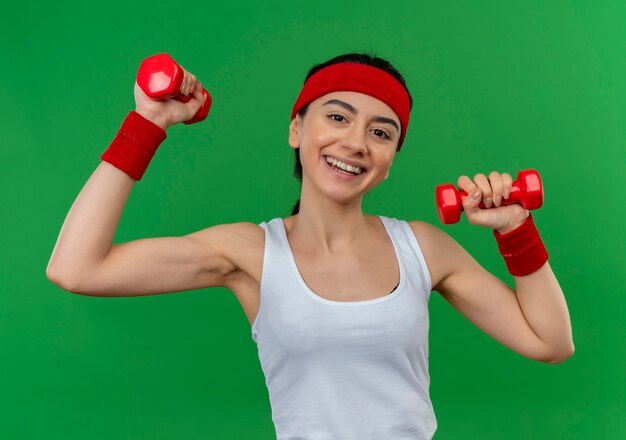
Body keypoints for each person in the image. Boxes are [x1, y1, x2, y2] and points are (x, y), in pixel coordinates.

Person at [47, 52, 575, 439]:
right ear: (297, 129)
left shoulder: (423, 247)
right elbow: (76, 268)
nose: (356, 142)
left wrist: (515, 228)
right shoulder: (249, 253)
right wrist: (149, 122)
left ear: (391, 158)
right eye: (338, 116)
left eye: (381, 132)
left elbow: (550, 343)